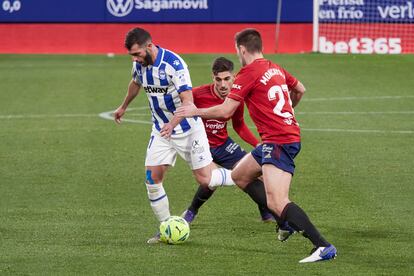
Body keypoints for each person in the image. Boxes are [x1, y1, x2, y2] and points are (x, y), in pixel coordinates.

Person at [176, 28, 337, 263]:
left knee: (277, 201)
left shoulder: (247, 73)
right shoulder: (275, 67)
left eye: (237, 51)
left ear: (241, 50)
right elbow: (300, 89)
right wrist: (287, 113)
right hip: (280, 137)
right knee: (240, 175)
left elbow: (226, 111)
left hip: (279, 141)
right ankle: (285, 223)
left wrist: (196, 110)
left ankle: (322, 246)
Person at [113, 27, 235, 244]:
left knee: (206, 179)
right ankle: (166, 229)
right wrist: (123, 106)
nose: (135, 59)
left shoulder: (174, 64)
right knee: (152, 180)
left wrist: (172, 123)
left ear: (149, 46)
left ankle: (242, 174)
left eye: (137, 54)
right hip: (161, 130)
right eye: (132, 55)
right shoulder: (139, 65)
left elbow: (188, 102)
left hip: (187, 129)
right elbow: (135, 83)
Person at [181, 57, 275, 223]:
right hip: (201, 145)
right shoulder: (198, 94)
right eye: (218, 79)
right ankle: (191, 212)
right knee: (211, 180)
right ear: (213, 78)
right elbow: (180, 106)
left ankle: (266, 213)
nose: (223, 84)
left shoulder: (236, 98)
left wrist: (257, 144)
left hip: (223, 144)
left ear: (234, 77)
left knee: (255, 172)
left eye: (227, 79)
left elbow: (239, 125)